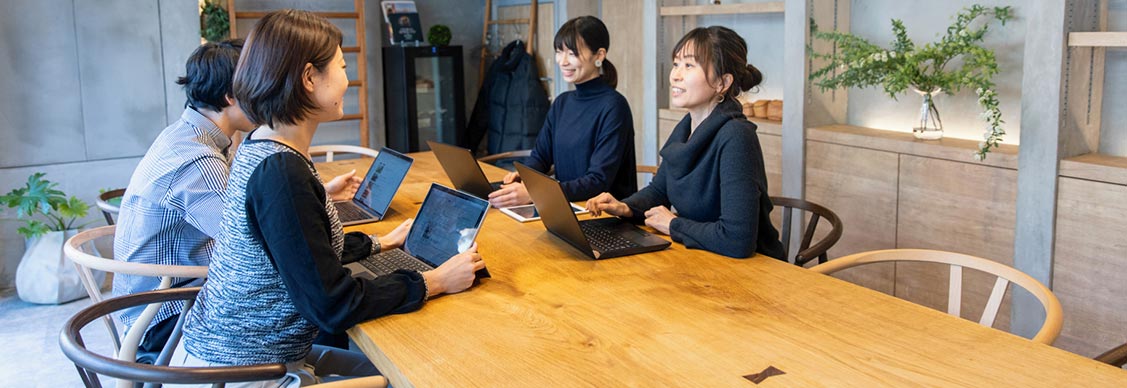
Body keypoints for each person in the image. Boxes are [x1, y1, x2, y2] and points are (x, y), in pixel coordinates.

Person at [173, 10, 485, 386]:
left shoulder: (261, 145)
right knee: (422, 375)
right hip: (246, 372)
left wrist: (381, 242)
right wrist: (434, 281)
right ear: (308, 78)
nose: (348, 80)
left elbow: (305, 250)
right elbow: (333, 305)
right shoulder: (282, 174)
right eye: (341, 66)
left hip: (238, 353)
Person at [113, 39, 366, 361]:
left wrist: (319, 196)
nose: (269, 99)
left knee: (321, 293)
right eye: (259, 88)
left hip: (175, 293)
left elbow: (251, 215)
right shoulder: (197, 161)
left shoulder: (193, 136)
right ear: (232, 96)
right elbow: (256, 237)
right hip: (168, 315)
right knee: (319, 304)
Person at [585, 26, 785, 260]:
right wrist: (625, 207)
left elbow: (737, 239)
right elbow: (660, 190)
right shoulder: (686, 127)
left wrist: (674, 225)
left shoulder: (737, 137)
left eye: (689, 65)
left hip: (754, 273)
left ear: (722, 82)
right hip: (702, 259)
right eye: (676, 63)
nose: (675, 75)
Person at [487, 16, 637, 208]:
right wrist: (524, 176)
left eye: (572, 53)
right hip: (565, 207)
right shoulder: (562, 103)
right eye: (559, 52)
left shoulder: (614, 106)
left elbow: (598, 181)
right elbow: (541, 156)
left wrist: (536, 192)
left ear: (599, 55)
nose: (563, 61)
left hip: (604, 216)